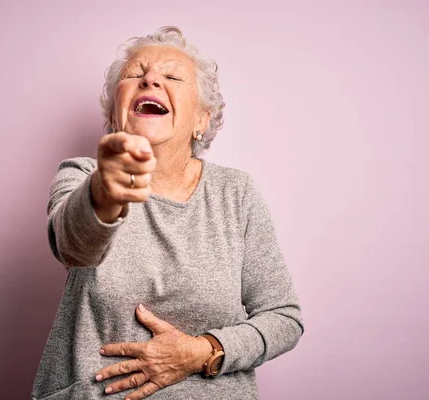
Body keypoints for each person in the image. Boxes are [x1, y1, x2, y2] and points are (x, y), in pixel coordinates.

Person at [31, 26, 304, 400]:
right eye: (134, 74)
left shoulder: (236, 193)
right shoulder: (81, 176)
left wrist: (201, 352)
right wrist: (104, 193)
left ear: (201, 120)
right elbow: (74, 248)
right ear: (115, 112)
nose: (150, 80)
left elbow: (283, 318)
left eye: (172, 76)